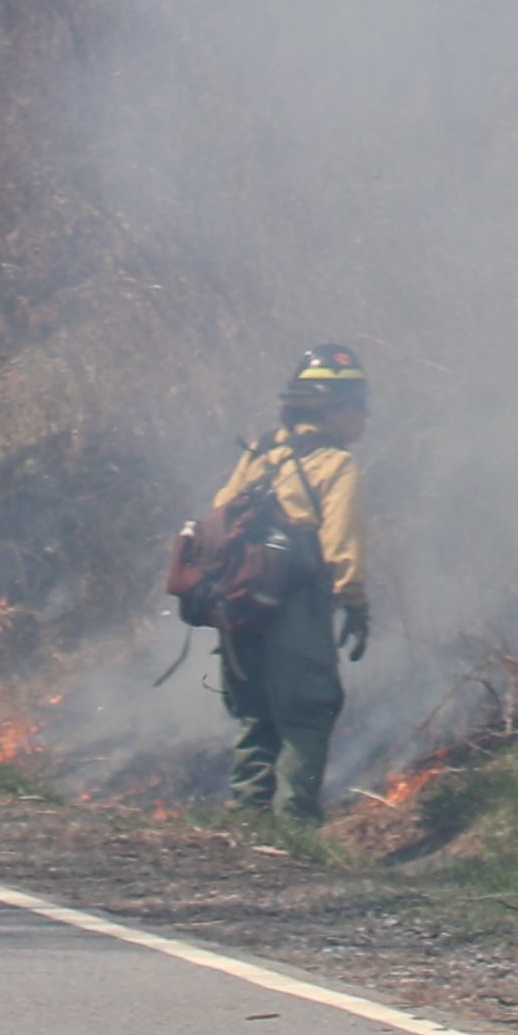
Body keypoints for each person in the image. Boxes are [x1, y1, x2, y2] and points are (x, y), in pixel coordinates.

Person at [183, 344, 372, 825]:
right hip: (296, 604)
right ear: (336, 408)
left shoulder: (261, 453)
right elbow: (342, 546)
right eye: (359, 404)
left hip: (239, 605)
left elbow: (219, 515)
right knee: (306, 711)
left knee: (254, 714)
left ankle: (249, 825)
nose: (365, 416)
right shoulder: (336, 464)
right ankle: (293, 831)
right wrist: (354, 604)